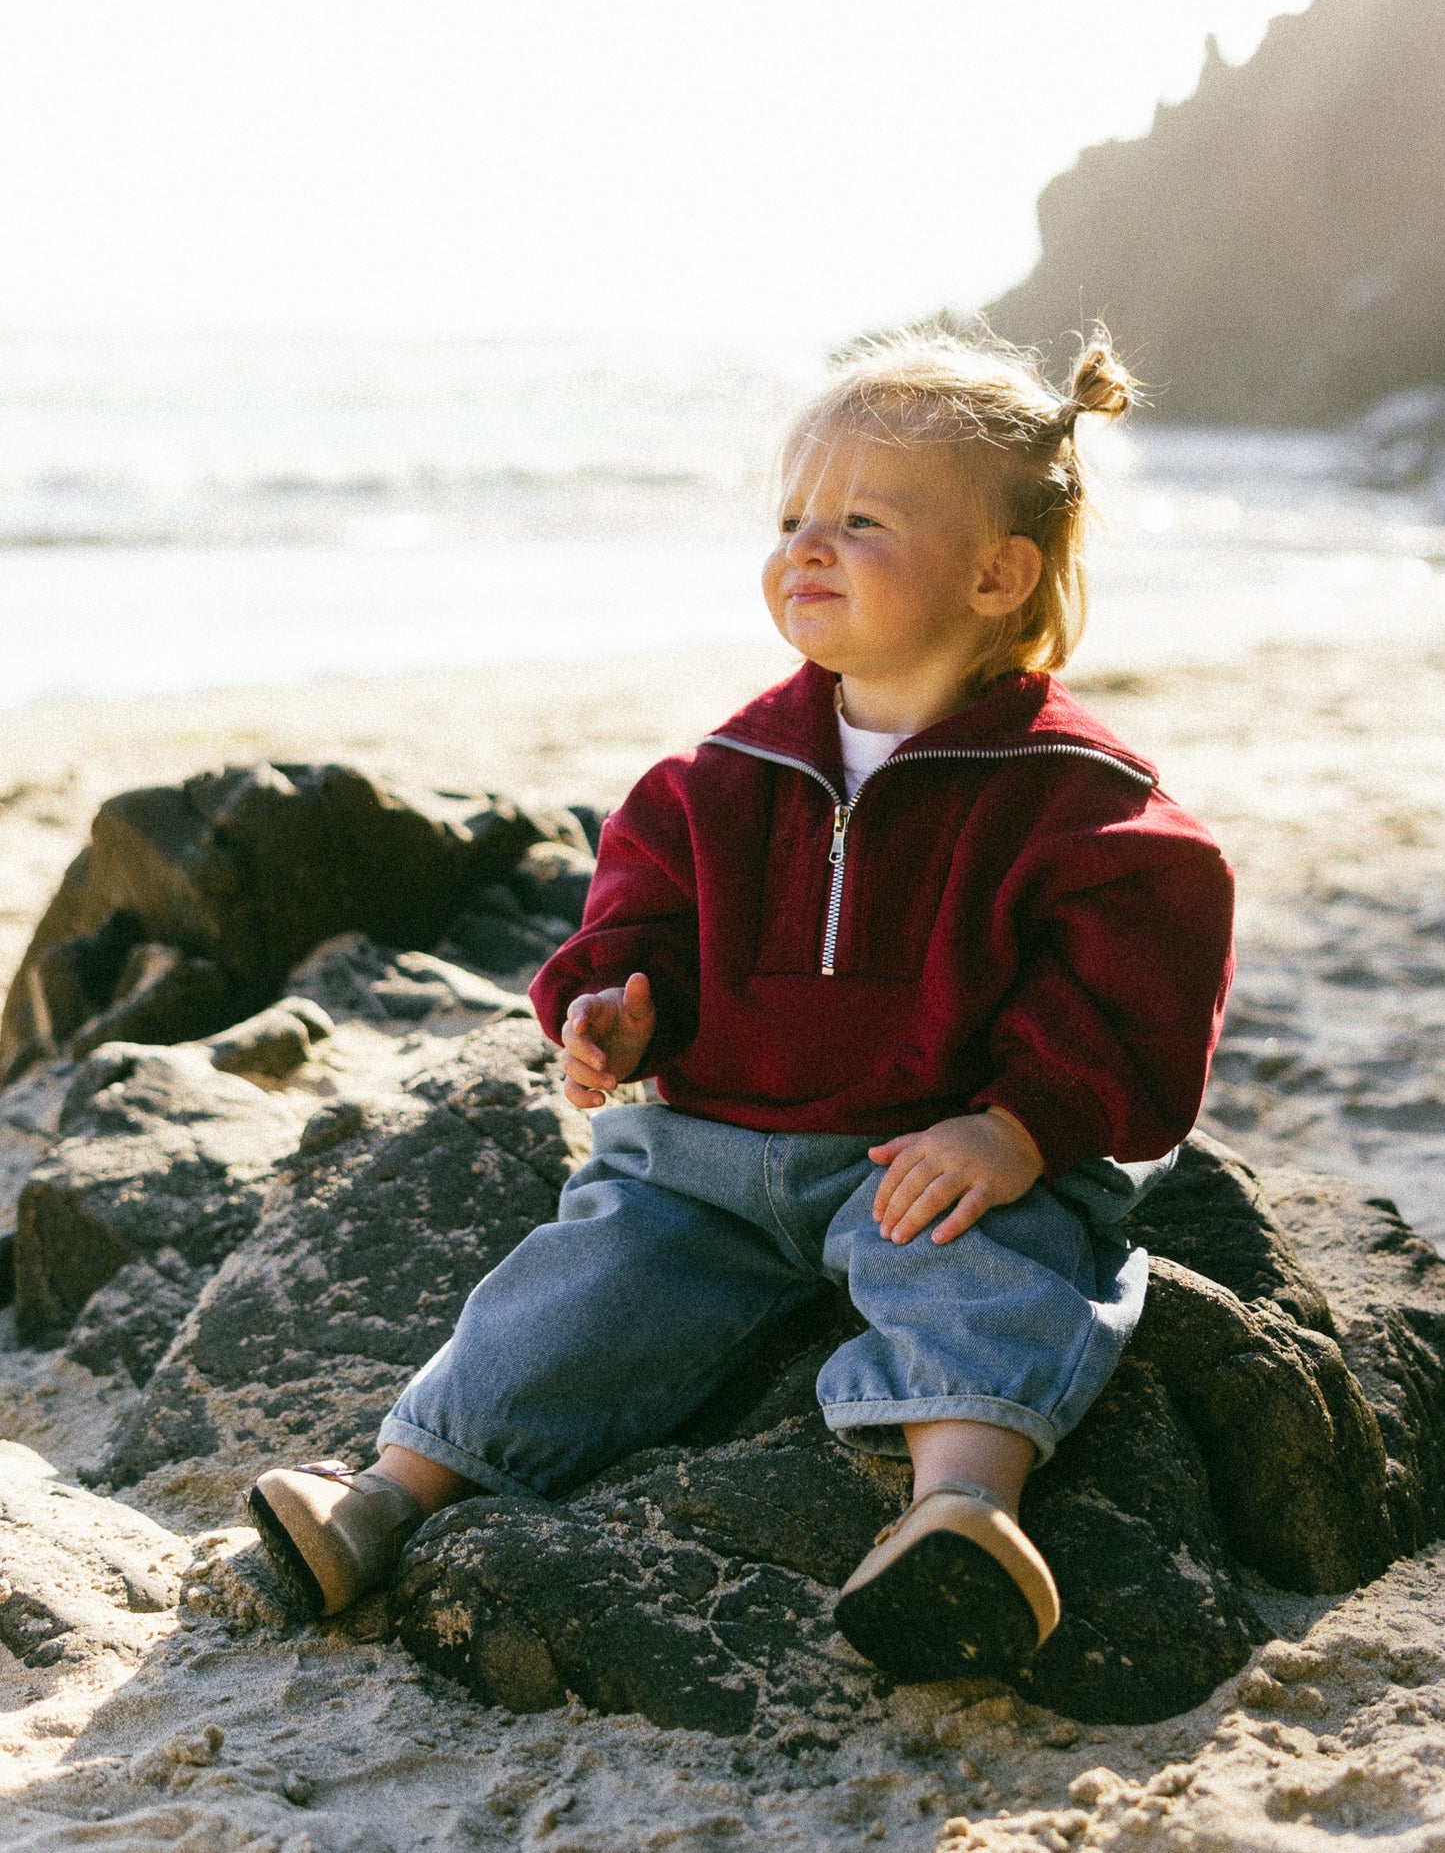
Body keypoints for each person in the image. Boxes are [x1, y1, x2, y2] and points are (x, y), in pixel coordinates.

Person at [249, 327, 1234, 1682]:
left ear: (998, 575)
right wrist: (611, 1007)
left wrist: (1017, 1127)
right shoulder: (722, 774)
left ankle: (961, 1513)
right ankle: (383, 1495)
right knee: (575, 1289)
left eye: (861, 521)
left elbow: (1137, 975)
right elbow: (638, 917)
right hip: (710, 1159)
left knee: (1001, 1276)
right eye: (790, 519)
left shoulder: (1077, 799)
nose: (806, 547)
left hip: (927, 1155)